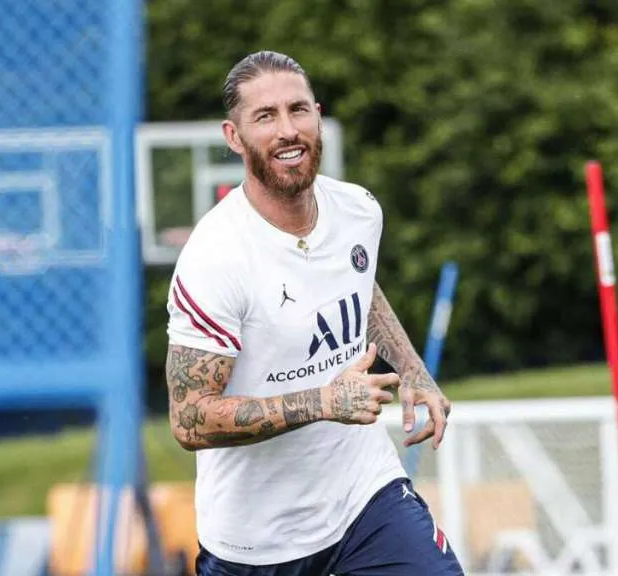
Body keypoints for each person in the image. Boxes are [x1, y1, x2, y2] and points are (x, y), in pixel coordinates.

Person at [165, 50, 463, 576]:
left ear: (318, 116)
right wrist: (324, 401)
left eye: (298, 110)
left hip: (365, 499)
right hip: (256, 545)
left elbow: (358, 285)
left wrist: (413, 370)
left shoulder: (358, 210)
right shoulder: (215, 257)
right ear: (234, 137)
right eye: (265, 116)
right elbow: (189, 419)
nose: (287, 130)